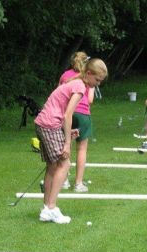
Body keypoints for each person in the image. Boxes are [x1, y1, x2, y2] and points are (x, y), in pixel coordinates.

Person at [35, 58, 107, 224]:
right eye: (97, 80)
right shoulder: (80, 86)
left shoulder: (75, 82)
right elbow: (68, 115)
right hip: (50, 124)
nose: (97, 84)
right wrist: (67, 142)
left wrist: (67, 131)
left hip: (44, 123)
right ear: (88, 74)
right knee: (64, 164)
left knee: (52, 166)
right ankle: (51, 208)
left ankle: (47, 208)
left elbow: (60, 110)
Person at [58, 52, 95, 192]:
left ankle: (64, 180)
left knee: (66, 145)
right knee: (82, 149)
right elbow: (90, 100)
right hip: (83, 113)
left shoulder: (64, 75)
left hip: (67, 112)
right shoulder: (89, 76)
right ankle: (78, 183)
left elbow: (59, 93)